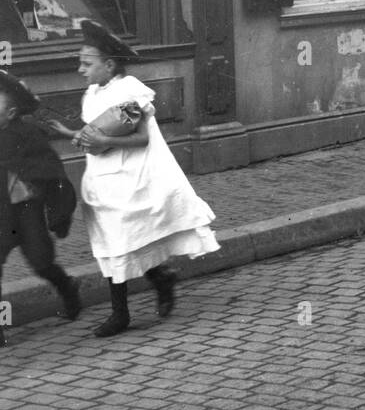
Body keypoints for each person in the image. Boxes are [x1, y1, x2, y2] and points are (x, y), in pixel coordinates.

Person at [72, 21, 219, 338]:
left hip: (131, 175)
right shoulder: (93, 92)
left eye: (87, 63)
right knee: (116, 241)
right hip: (104, 178)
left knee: (124, 237)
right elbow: (97, 131)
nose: (81, 69)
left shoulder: (128, 91)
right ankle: (150, 287)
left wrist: (103, 143)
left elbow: (140, 139)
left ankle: (127, 307)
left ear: (109, 64)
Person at [0, 69, 81, 348]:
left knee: (41, 262)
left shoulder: (27, 134)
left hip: (27, 211)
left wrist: (57, 208)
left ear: (11, 113)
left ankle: (68, 288)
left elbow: (50, 168)